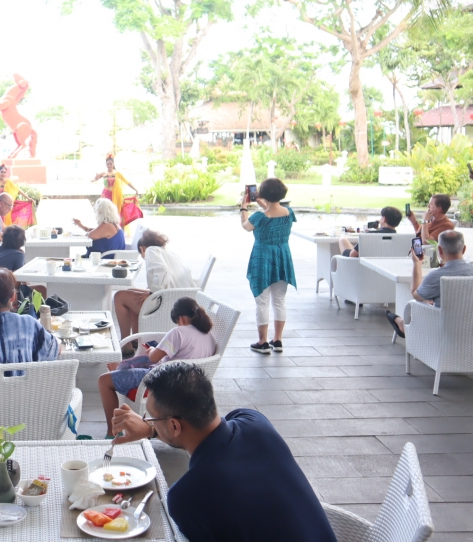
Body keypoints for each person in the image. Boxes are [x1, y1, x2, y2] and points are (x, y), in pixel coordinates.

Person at [110, 363, 337, 542]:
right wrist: (153, 429)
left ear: (174, 426)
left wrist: (153, 430)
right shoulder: (255, 421)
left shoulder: (187, 497)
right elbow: (206, 429)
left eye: (151, 418)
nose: (149, 421)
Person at [99, 297, 215, 439]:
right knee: (139, 364)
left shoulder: (178, 332)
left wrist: (152, 350)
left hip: (164, 383)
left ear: (181, 318)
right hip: (189, 386)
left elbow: (154, 358)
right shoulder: (208, 337)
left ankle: (112, 434)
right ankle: (119, 370)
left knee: (104, 381)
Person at [387, 230, 473, 337]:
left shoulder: (437, 276)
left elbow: (416, 295)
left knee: (420, 304)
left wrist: (417, 264)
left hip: (444, 333)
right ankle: (402, 322)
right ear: (464, 249)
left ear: (440, 250)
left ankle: (402, 324)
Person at [241, 178, 296, 355]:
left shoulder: (259, 217)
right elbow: (273, 212)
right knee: (279, 301)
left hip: (262, 258)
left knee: (262, 302)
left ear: (263, 194)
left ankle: (263, 342)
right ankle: (277, 340)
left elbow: (246, 226)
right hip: (282, 257)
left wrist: (243, 208)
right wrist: (262, 202)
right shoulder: (289, 213)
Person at [112, 229, 195, 342]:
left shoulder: (150, 250)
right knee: (130, 291)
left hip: (167, 303)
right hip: (179, 299)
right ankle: (136, 339)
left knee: (119, 296)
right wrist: (151, 291)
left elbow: (163, 271)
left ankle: (125, 343)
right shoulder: (169, 252)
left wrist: (152, 292)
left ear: (142, 249)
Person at [337, 206, 403, 258]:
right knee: (354, 248)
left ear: (384, 219)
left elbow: (353, 255)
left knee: (343, 239)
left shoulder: (369, 236)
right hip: (385, 268)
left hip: (360, 267)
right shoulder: (399, 239)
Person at [90, 154, 138, 226]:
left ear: (113, 164)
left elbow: (127, 182)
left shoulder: (118, 173)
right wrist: (95, 177)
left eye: (111, 164)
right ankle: (105, 225)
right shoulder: (103, 173)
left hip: (115, 195)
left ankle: (115, 226)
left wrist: (135, 189)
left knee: (115, 210)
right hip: (105, 194)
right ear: (106, 164)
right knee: (104, 209)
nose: (109, 165)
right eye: (108, 164)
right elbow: (94, 179)